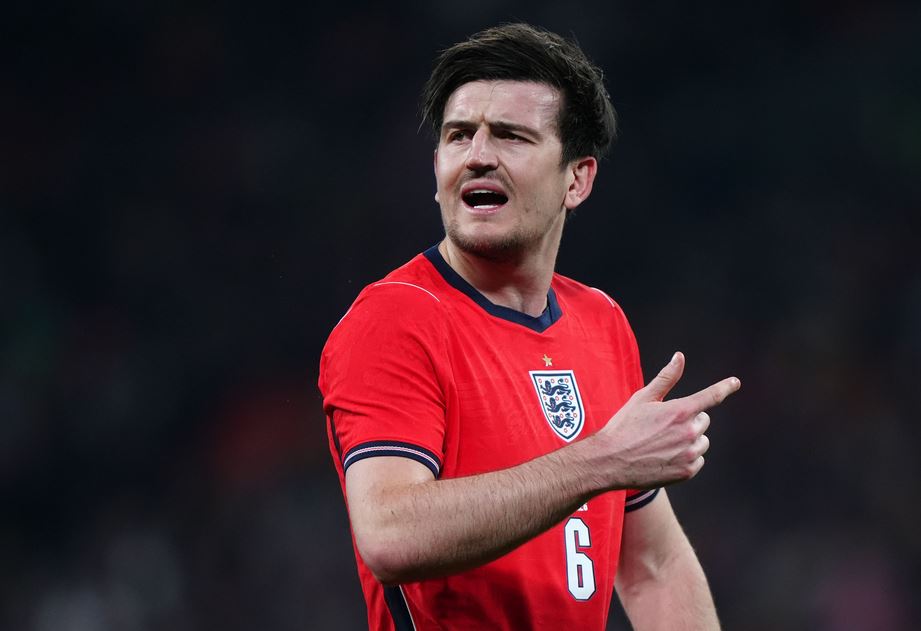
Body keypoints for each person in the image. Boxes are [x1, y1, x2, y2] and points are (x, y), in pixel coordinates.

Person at [319, 23, 740, 631]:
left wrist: (609, 463)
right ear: (437, 167)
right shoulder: (395, 318)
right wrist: (600, 461)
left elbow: (653, 565)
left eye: (511, 135)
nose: (478, 155)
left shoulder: (600, 322)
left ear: (577, 179)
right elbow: (391, 535)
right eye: (458, 135)